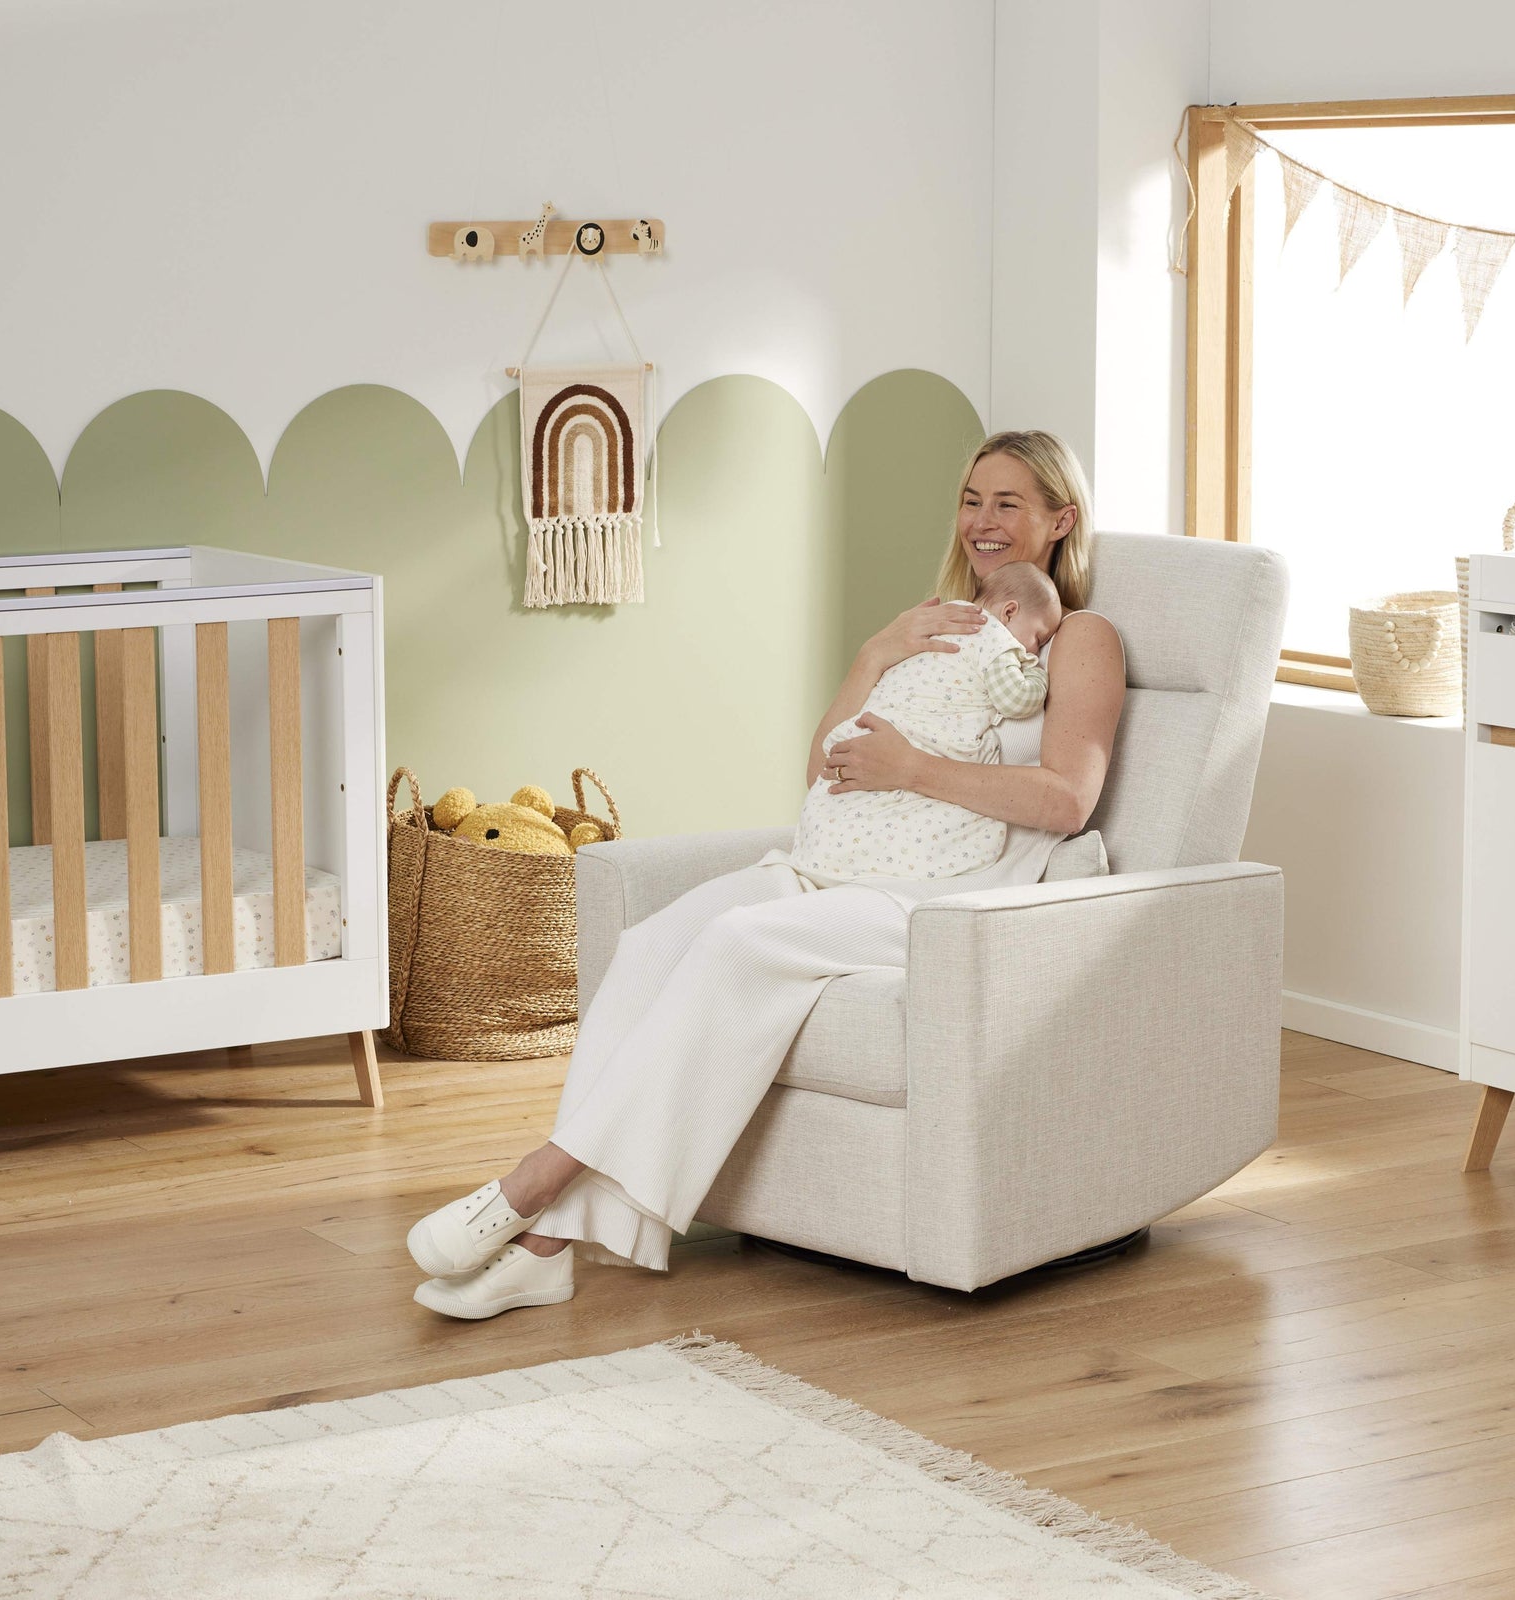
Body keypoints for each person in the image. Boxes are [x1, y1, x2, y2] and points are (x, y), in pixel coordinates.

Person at [406, 430, 1127, 1319]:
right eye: (971, 500)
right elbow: (823, 767)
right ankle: (546, 1254)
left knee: (738, 944)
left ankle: (536, 1189)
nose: (981, 521)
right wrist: (875, 653)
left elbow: (1067, 800)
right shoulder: (935, 622)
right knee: (652, 942)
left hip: (948, 896)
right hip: (839, 861)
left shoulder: (1080, 639)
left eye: (1007, 504)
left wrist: (914, 770)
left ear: (1062, 519)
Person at [780, 560, 1063, 882]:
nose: (1034, 649)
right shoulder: (991, 635)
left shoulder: (941, 624)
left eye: (1041, 643)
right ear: (1009, 612)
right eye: (1038, 637)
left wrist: (907, 766)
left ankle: (841, 859)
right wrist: (1037, 676)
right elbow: (1016, 699)